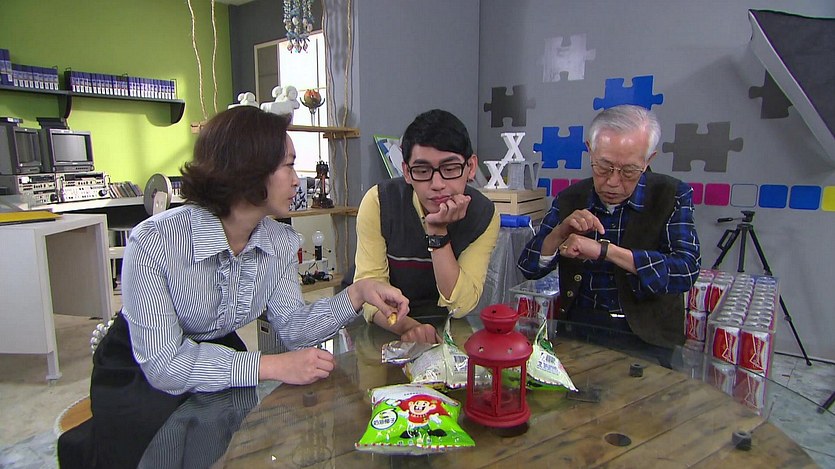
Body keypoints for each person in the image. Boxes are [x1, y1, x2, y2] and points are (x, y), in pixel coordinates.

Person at [58, 106, 409, 468]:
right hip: (139, 365)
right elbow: (164, 363)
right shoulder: (155, 241)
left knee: (227, 447)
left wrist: (357, 293)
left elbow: (293, 327)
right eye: (289, 166)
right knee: (155, 449)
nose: (297, 181)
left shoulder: (279, 242)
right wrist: (271, 365)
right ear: (249, 169)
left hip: (216, 350)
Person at [517, 104, 700, 360]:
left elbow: (685, 270)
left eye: (629, 171)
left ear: (648, 160)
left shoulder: (672, 195)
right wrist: (560, 233)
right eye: (603, 167)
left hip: (649, 337)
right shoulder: (571, 198)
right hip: (579, 330)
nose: (613, 182)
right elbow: (528, 267)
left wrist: (606, 251)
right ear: (590, 150)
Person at [353, 109, 499, 343]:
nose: (437, 184)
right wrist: (412, 328)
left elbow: (461, 305)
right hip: (385, 329)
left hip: (449, 332)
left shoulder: (484, 215)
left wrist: (438, 234)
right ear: (406, 172)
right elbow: (370, 292)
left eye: (450, 169)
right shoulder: (379, 203)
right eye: (422, 171)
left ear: (471, 167)